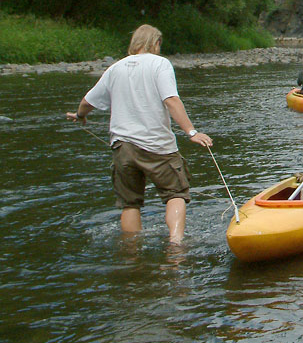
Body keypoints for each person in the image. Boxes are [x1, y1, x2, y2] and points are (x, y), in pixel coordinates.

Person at [65, 24, 212, 244]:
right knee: (176, 193)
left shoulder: (115, 68)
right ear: (156, 43)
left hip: (122, 147)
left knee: (130, 203)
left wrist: (79, 115)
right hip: (158, 146)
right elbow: (171, 100)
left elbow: (87, 102)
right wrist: (191, 131)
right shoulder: (160, 64)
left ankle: (131, 252)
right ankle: (176, 245)